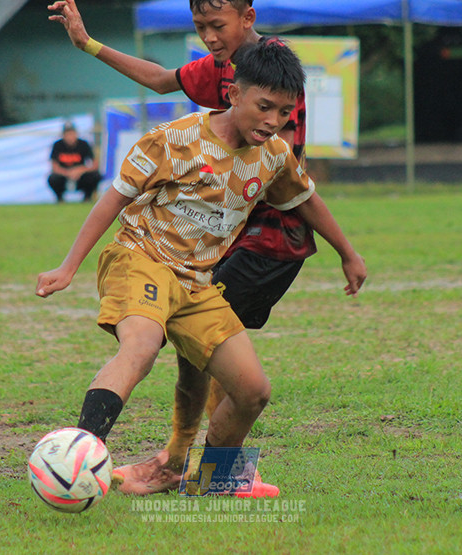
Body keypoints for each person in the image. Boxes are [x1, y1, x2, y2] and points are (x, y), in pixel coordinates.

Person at [34, 41, 366, 498]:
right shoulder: (174, 139)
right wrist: (68, 266)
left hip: (197, 284)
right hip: (141, 258)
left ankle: (215, 477)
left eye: (284, 111)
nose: (272, 121)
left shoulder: (273, 155)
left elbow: (306, 199)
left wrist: (348, 252)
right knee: (142, 346)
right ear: (233, 93)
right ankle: (78, 453)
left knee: (253, 390)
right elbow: (114, 197)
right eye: (264, 106)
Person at [48, 122, 101, 202]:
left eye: (72, 133)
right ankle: (60, 199)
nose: (70, 136)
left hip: (81, 176)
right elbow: (54, 167)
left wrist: (80, 170)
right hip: (64, 175)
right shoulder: (58, 145)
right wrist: (68, 172)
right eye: (67, 134)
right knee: (53, 178)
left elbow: (95, 164)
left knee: (95, 176)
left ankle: (87, 198)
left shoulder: (83, 144)